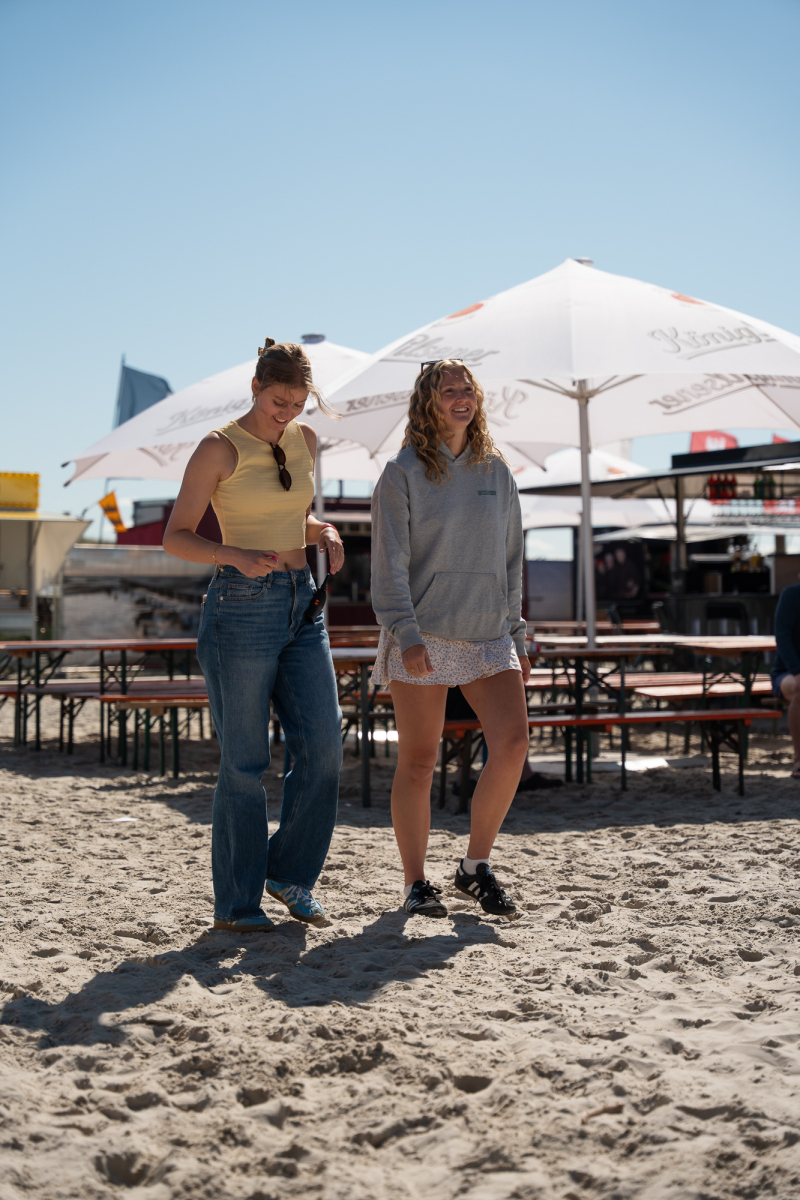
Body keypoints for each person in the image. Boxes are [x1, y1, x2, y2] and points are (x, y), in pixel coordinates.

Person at [164, 338, 344, 932]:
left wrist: (322, 530)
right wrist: (232, 554)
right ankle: (238, 905)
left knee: (324, 749)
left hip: (303, 604)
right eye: (277, 401)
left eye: (297, 403)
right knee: (244, 762)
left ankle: (288, 873)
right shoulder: (218, 447)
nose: (286, 413)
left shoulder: (305, 439)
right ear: (255, 388)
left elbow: (292, 517)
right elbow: (176, 536)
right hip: (240, 607)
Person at [370, 359, 531, 920]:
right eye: (448, 391)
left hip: (489, 634)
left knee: (513, 745)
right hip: (424, 632)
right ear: (427, 402)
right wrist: (405, 632)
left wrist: (517, 635)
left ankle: (473, 867)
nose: (461, 398)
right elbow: (389, 564)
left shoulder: (497, 471)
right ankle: (415, 882)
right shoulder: (402, 472)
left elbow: (512, 560)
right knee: (419, 760)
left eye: (468, 389)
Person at [771, 582, 800, 778]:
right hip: (788, 672)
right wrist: (797, 670)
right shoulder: (792, 595)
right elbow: (782, 636)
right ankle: (799, 760)